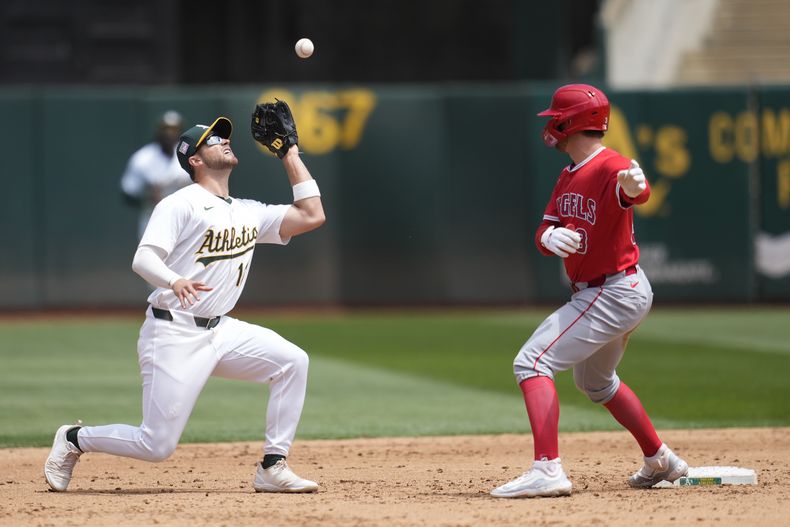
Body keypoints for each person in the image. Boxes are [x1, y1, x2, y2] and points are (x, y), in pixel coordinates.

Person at [44, 111, 325, 493]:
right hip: (172, 330)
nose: (224, 141)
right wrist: (174, 280)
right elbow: (142, 259)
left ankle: (273, 466)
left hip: (221, 330)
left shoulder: (246, 211)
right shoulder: (181, 204)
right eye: (212, 140)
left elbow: (312, 214)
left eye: (224, 137)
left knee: (293, 361)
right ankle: (75, 438)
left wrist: (289, 153)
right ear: (194, 159)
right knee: (156, 445)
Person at [490, 84, 688, 498]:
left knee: (531, 363)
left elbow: (632, 190)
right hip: (619, 290)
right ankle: (660, 459)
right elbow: (545, 228)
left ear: (571, 122)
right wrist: (549, 239)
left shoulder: (610, 165)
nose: (551, 126)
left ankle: (548, 469)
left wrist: (636, 188)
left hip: (612, 290)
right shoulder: (567, 176)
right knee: (597, 384)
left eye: (556, 119)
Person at [121, 110, 192, 239]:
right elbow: (128, 192)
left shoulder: (190, 155)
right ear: (158, 131)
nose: (169, 134)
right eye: (166, 129)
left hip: (186, 220)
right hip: (153, 220)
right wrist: (147, 198)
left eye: (174, 129)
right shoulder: (143, 158)